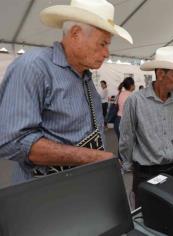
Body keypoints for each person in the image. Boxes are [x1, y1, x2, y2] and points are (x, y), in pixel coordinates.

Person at [0, 0, 133, 178]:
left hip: (79, 187)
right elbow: (12, 141)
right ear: (76, 34)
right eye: (102, 44)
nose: (107, 53)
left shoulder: (85, 75)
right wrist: (93, 157)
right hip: (45, 194)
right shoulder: (33, 67)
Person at [119, 46, 173, 207]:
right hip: (146, 173)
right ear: (160, 73)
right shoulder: (136, 101)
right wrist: (128, 166)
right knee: (146, 219)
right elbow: (127, 137)